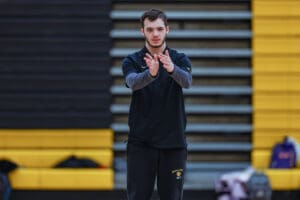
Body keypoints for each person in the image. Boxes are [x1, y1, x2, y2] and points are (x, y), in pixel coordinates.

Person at [122, 9, 192, 200]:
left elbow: (186, 81)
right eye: (150, 29)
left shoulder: (179, 59)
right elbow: (132, 82)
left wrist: (171, 69)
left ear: (167, 30)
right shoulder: (132, 60)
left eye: (159, 29)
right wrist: (151, 74)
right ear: (142, 31)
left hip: (174, 144)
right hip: (141, 145)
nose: (155, 34)